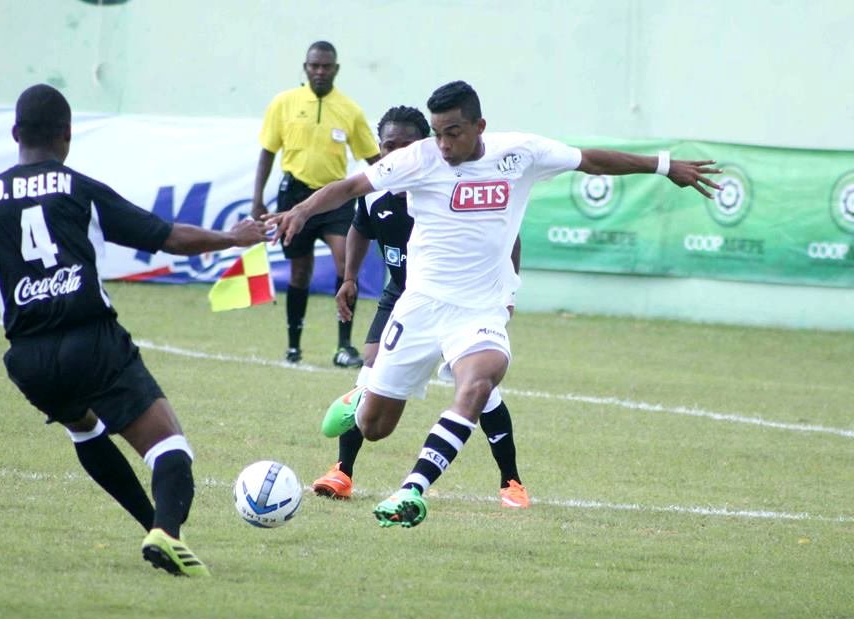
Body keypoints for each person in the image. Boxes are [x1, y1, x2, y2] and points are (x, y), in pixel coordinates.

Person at [269, 80, 721, 528]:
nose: (444, 144)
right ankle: (364, 394)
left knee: (479, 383)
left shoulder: (520, 153)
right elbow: (350, 187)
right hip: (421, 305)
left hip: (479, 311)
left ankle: (412, 490)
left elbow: (592, 160)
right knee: (373, 428)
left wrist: (664, 166)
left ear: (479, 125)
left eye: (454, 133)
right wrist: (303, 211)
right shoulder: (419, 158)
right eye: (437, 132)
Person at [0, 84, 268, 575]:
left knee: (84, 428)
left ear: (16, 133)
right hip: (92, 341)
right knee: (170, 448)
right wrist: (232, 237)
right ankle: (166, 531)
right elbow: (168, 237)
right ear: (67, 134)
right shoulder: (77, 188)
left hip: (29, 360)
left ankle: (154, 528)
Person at [310, 105, 530, 509]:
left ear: (424, 146)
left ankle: (511, 481)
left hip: (463, 302)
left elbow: (507, 237)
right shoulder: (377, 188)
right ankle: (342, 471)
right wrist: (349, 278)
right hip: (403, 296)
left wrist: (507, 294)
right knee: (370, 373)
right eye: (388, 146)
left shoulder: (446, 184)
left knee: (483, 393)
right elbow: (359, 229)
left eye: (405, 146)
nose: (395, 154)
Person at [249, 40, 380, 367]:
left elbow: (374, 157)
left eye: (326, 66)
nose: (320, 71)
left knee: (344, 264)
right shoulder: (284, 103)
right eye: (314, 65)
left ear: (336, 69)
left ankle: (344, 347)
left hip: (335, 198)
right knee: (300, 272)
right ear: (305, 67)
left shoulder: (350, 110)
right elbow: (267, 152)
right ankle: (294, 347)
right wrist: (256, 199)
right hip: (294, 196)